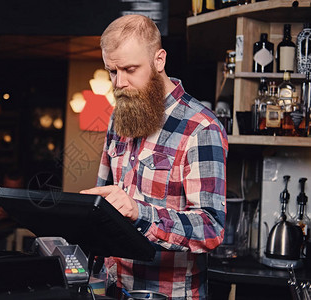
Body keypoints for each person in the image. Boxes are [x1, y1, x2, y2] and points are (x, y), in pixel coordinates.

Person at [80, 14, 228, 300]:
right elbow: (102, 204)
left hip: (169, 294)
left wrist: (139, 212)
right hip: (111, 288)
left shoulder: (202, 128)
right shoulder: (118, 117)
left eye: (130, 69)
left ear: (159, 60)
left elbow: (211, 229)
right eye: (112, 71)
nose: (119, 83)